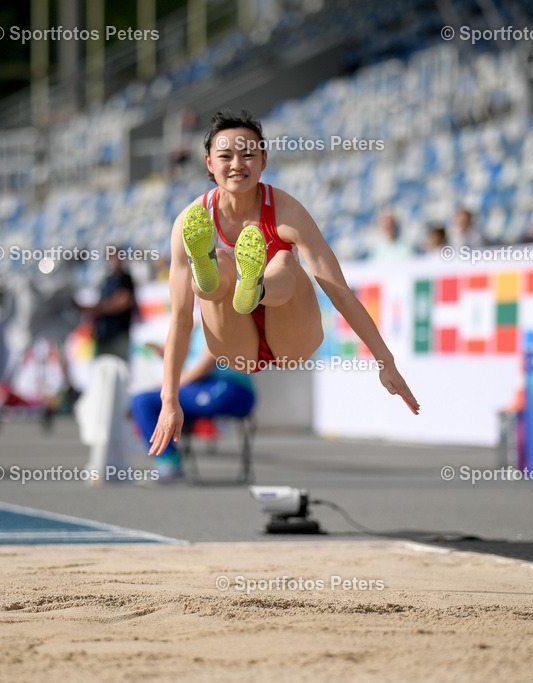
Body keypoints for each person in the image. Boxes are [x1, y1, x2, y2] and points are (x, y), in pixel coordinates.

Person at [148, 110, 419, 457]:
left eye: (248, 154)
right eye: (225, 156)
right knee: (219, 264)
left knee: (284, 261)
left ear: (263, 160)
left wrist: (386, 361)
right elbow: (181, 319)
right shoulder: (190, 221)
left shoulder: (288, 212)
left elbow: (338, 290)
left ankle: (256, 285)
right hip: (235, 344)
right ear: (208, 164)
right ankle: (221, 276)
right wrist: (169, 401)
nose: (237, 164)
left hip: (290, 339)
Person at [131, 322, 254, 481]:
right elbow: (190, 360)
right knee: (144, 401)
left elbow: (205, 367)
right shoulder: (197, 325)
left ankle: (169, 464)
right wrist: (165, 354)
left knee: (145, 401)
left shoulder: (219, 318)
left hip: (230, 388)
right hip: (204, 386)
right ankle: (168, 461)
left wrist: (169, 388)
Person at [88, 248, 137, 360]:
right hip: (104, 335)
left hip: (119, 334)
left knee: (119, 367)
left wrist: (99, 308)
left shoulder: (126, 279)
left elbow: (123, 301)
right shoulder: (107, 280)